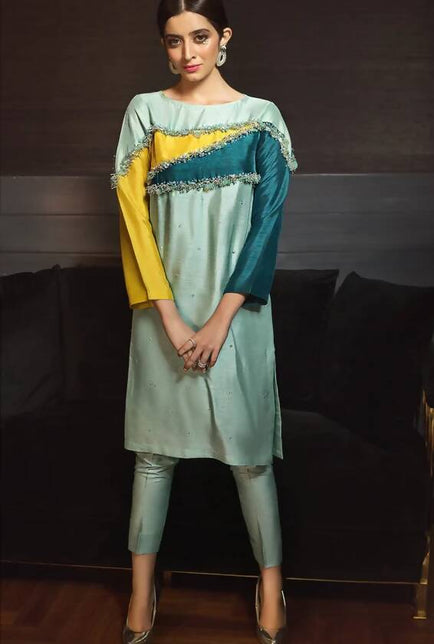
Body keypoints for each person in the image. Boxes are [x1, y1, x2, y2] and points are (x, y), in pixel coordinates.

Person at [111, 1, 297, 642]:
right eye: (173, 41)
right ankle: (141, 593)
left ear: (223, 38)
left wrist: (219, 320)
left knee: (251, 458)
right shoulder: (145, 113)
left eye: (199, 36)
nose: (187, 52)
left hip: (235, 316)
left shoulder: (261, 119)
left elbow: (267, 226)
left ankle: (271, 586)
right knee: (153, 457)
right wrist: (170, 319)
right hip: (161, 313)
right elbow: (134, 224)